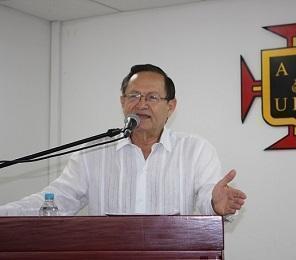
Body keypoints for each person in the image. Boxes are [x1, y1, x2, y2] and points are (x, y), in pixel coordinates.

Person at [0, 64, 246, 216]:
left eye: (151, 97)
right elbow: (56, 200)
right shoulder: (93, 152)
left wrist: (215, 203)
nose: (141, 104)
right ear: (122, 102)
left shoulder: (195, 150)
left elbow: (207, 196)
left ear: (171, 106)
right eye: (134, 95)